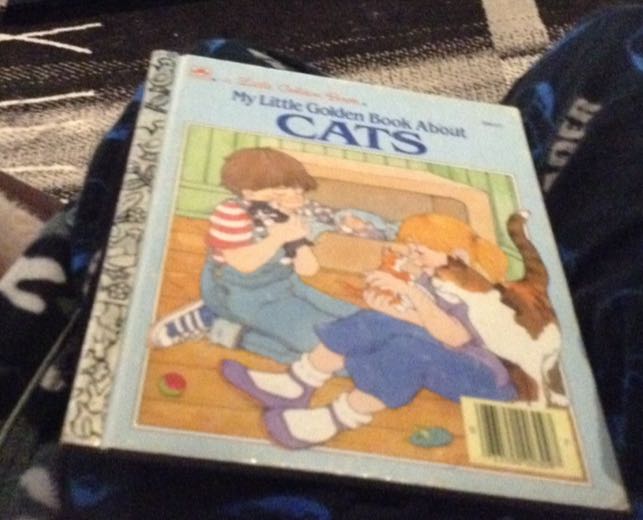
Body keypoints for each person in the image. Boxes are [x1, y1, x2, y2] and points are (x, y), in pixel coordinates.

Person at [221, 213, 517, 448]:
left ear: (457, 254)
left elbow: (456, 337)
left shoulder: (474, 290)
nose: (413, 256)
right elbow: (427, 324)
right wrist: (390, 310)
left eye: (420, 250)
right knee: (377, 321)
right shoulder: (434, 279)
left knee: (408, 350)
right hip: (449, 357)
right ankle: (300, 382)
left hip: (483, 381)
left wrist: (410, 292)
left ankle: (335, 418)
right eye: (411, 248)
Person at [150, 147, 359, 363]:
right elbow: (243, 264)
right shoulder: (233, 212)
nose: (292, 195)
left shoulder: (294, 208)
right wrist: (279, 237)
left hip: (286, 284)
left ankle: (223, 322)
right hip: (239, 292)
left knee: (361, 321)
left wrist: (311, 235)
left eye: (296, 188)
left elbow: (308, 268)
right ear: (249, 192)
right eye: (279, 190)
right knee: (326, 350)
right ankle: (220, 325)